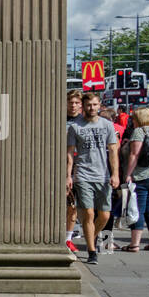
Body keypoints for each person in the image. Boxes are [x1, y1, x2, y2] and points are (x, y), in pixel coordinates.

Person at [67, 92, 119, 265]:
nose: (92, 108)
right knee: (88, 213)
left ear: (99, 105)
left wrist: (115, 174)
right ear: (84, 106)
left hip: (103, 175)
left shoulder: (107, 125)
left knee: (104, 215)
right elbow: (69, 154)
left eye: (95, 105)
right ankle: (91, 251)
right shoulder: (75, 126)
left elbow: (113, 151)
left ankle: (91, 236)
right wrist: (69, 175)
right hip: (83, 174)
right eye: (89, 105)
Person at [122, 106, 149, 252]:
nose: (132, 121)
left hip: (141, 176)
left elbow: (134, 154)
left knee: (136, 209)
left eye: (134, 118)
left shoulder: (139, 131)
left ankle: (134, 244)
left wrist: (128, 174)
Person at [66, 91, 83, 246]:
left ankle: (68, 237)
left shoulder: (84, 121)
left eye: (77, 103)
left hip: (79, 165)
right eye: (71, 102)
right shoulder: (59, 119)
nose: (73, 106)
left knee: (73, 205)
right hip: (60, 164)